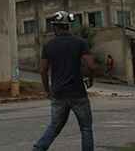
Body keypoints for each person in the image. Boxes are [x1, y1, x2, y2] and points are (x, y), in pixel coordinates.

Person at [33, 11, 98, 151]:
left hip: (58, 94)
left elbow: (43, 70)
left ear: (56, 27)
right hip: (78, 93)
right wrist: (90, 80)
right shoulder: (81, 43)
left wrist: (47, 91)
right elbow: (91, 66)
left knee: (54, 127)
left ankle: (38, 149)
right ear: (69, 26)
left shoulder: (49, 45)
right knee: (86, 128)